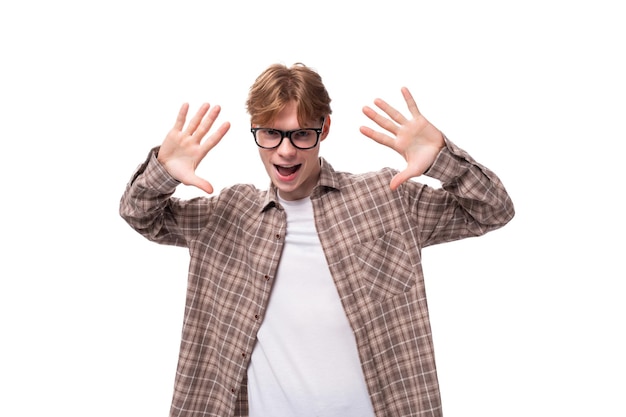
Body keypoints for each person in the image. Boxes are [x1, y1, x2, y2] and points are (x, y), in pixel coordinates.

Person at [119, 62, 515, 417]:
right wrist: (163, 171)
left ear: (324, 128)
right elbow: (140, 214)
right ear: (255, 130)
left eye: (301, 134)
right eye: (271, 134)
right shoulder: (227, 215)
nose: (286, 151)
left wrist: (440, 158)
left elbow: (493, 210)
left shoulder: (386, 199)